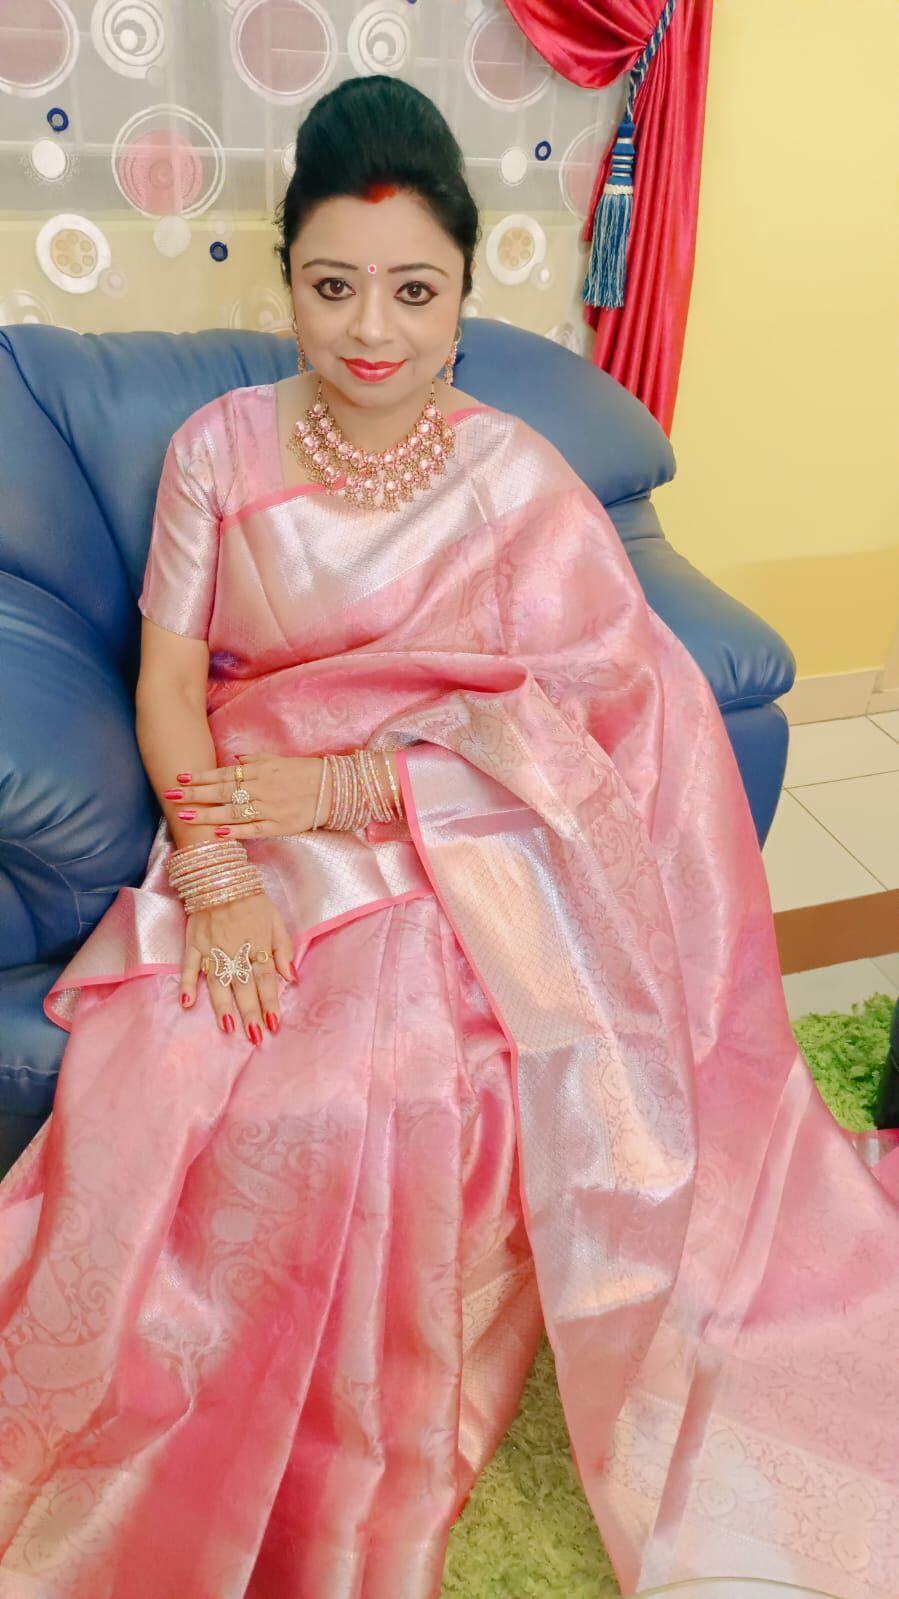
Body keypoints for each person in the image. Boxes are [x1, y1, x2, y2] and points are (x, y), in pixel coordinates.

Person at [0, 72, 897, 1599]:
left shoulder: (512, 477)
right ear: (287, 275)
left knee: (414, 1056)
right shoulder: (221, 449)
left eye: (414, 291)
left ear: (465, 293)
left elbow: (600, 710)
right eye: (333, 285)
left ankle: (363, 1443)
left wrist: (371, 794)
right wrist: (211, 871)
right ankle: (173, 1421)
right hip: (249, 807)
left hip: (456, 825)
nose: (372, 331)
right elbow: (167, 687)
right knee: (194, 1058)